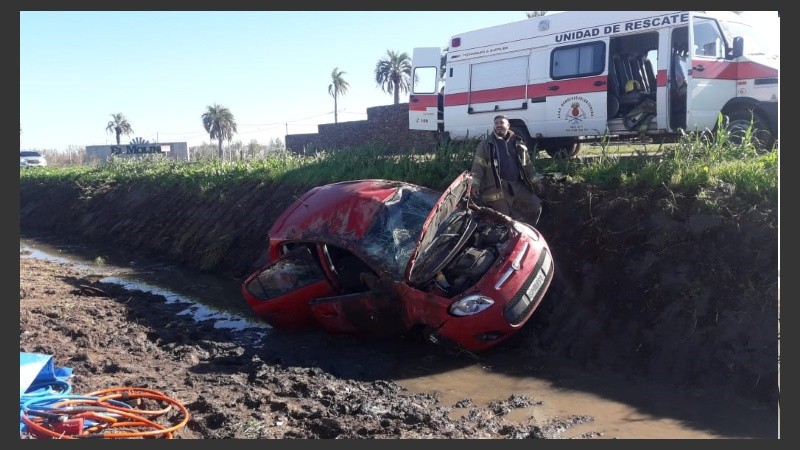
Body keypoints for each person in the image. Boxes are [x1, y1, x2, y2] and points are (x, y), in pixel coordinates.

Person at [469, 114, 543, 226]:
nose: (498, 125)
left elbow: (527, 165)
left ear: (508, 125)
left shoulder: (517, 143)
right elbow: (478, 166)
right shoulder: (485, 144)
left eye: (501, 123)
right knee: (503, 220)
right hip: (497, 188)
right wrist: (475, 185)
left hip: (517, 185)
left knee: (535, 206)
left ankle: (524, 231)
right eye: (496, 123)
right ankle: (507, 235)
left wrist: (536, 182)